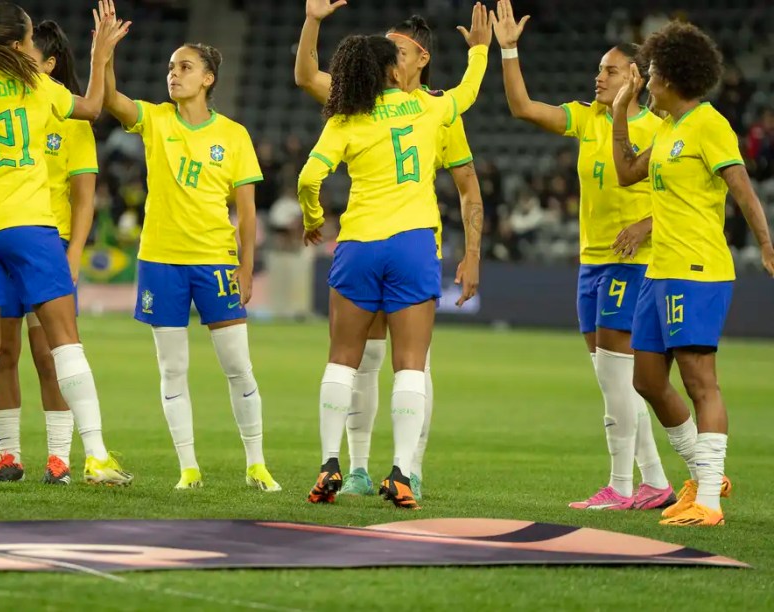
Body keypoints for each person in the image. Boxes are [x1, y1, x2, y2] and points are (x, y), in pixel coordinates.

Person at [0, 2, 132, 490]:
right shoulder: (39, 86)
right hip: (32, 228)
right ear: (17, 45)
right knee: (64, 343)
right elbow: (93, 108)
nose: (36, 47)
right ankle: (95, 454)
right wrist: (99, 56)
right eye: (31, 39)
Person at [298, 3, 491, 509]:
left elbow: (308, 178)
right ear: (391, 67)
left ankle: (329, 464)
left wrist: (313, 217)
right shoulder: (433, 109)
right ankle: (402, 473)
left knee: (343, 360)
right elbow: (469, 93)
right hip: (413, 243)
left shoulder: (347, 114)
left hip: (359, 242)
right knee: (411, 366)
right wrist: (482, 50)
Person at [491, 0, 673, 510]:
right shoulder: (589, 118)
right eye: (597, 70)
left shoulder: (659, 131)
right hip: (591, 262)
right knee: (611, 379)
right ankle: (654, 482)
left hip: (632, 264)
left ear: (634, 77)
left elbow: (686, 201)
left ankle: (620, 487)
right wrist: (508, 50)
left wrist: (645, 224)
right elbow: (524, 107)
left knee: (619, 377)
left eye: (609, 70)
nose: (598, 78)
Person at [98, 0, 280, 492]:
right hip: (160, 262)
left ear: (208, 80)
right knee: (172, 368)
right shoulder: (156, 120)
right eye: (171, 67)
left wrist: (246, 268)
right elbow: (110, 100)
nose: (173, 75)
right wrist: (104, 53)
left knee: (238, 367)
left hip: (215, 262)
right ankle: (189, 468)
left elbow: (245, 212)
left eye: (185, 68)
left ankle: (256, 463)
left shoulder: (233, 136)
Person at [611, 21, 774, 526]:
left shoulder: (709, 124)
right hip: (660, 272)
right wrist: (620, 114)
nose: (647, 81)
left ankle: (709, 500)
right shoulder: (664, 129)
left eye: (653, 73)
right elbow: (625, 173)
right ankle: (704, 475)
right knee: (647, 380)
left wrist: (767, 245)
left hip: (697, 269)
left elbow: (743, 191)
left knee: (701, 381)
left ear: (673, 77)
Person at [0, 20, 100, 487]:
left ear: (49, 63)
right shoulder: (6, 108)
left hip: (48, 247)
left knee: (49, 354)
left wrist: (74, 252)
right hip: (1, 237)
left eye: (30, 52)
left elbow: (85, 198)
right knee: (1, 351)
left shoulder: (72, 122)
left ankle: (59, 458)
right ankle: (7, 454)